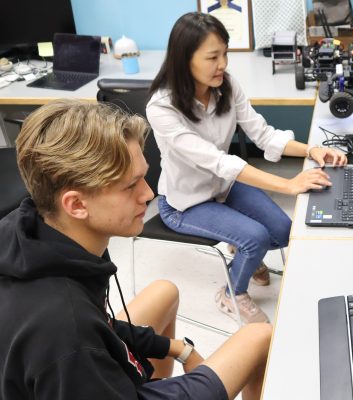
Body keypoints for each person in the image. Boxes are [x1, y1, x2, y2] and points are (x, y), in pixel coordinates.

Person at [0, 99, 271, 400]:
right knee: (259, 337)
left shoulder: (38, 228)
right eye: (131, 186)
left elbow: (102, 325)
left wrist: (179, 349)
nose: (149, 194)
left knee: (164, 291)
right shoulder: (67, 333)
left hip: (89, 371)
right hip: (87, 376)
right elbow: (83, 334)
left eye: (144, 176)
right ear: (76, 204)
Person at [146, 12, 347, 324]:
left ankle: (242, 249)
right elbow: (219, 161)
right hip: (185, 203)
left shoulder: (225, 85)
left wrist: (312, 149)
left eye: (225, 54)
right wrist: (288, 185)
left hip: (223, 187)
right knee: (255, 238)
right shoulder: (162, 107)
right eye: (213, 57)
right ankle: (231, 292)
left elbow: (263, 135)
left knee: (282, 232)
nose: (223, 64)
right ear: (184, 59)